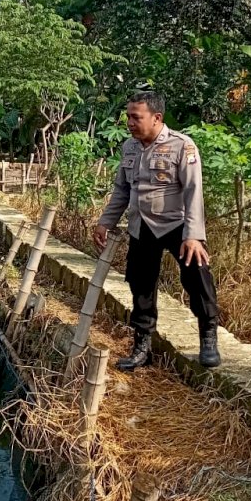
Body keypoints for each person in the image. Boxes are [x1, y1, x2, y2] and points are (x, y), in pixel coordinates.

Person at [92, 90, 221, 371]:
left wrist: (194, 236)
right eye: (128, 116)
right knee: (140, 285)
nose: (130, 122)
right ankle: (142, 347)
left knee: (197, 279)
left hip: (178, 225)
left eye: (136, 117)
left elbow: (193, 192)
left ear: (156, 118)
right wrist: (106, 222)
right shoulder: (129, 148)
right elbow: (121, 191)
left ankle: (208, 337)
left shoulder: (182, 146)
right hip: (142, 226)